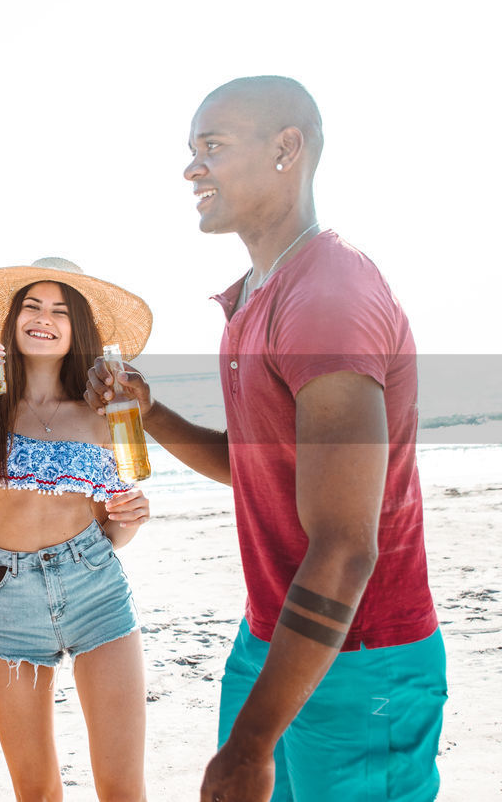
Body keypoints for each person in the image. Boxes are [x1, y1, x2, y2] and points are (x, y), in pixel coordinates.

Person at [86, 76, 446, 802]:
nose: (192, 168)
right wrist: (150, 414)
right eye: (191, 150)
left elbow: (346, 546)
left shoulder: (329, 295)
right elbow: (263, 470)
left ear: (288, 148)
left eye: (212, 147)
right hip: (274, 638)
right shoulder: (257, 292)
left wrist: (251, 743)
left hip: (363, 654)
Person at [0, 257, 153, 801]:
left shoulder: (104, 414)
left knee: (122, 786)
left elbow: (111, 530)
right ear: (9, 322)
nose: (43, 318)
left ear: (77, 330)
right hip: (9, 600)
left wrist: (131, 519)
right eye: (32, 306)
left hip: (95, 587)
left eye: (60, 310)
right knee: (35, 790)